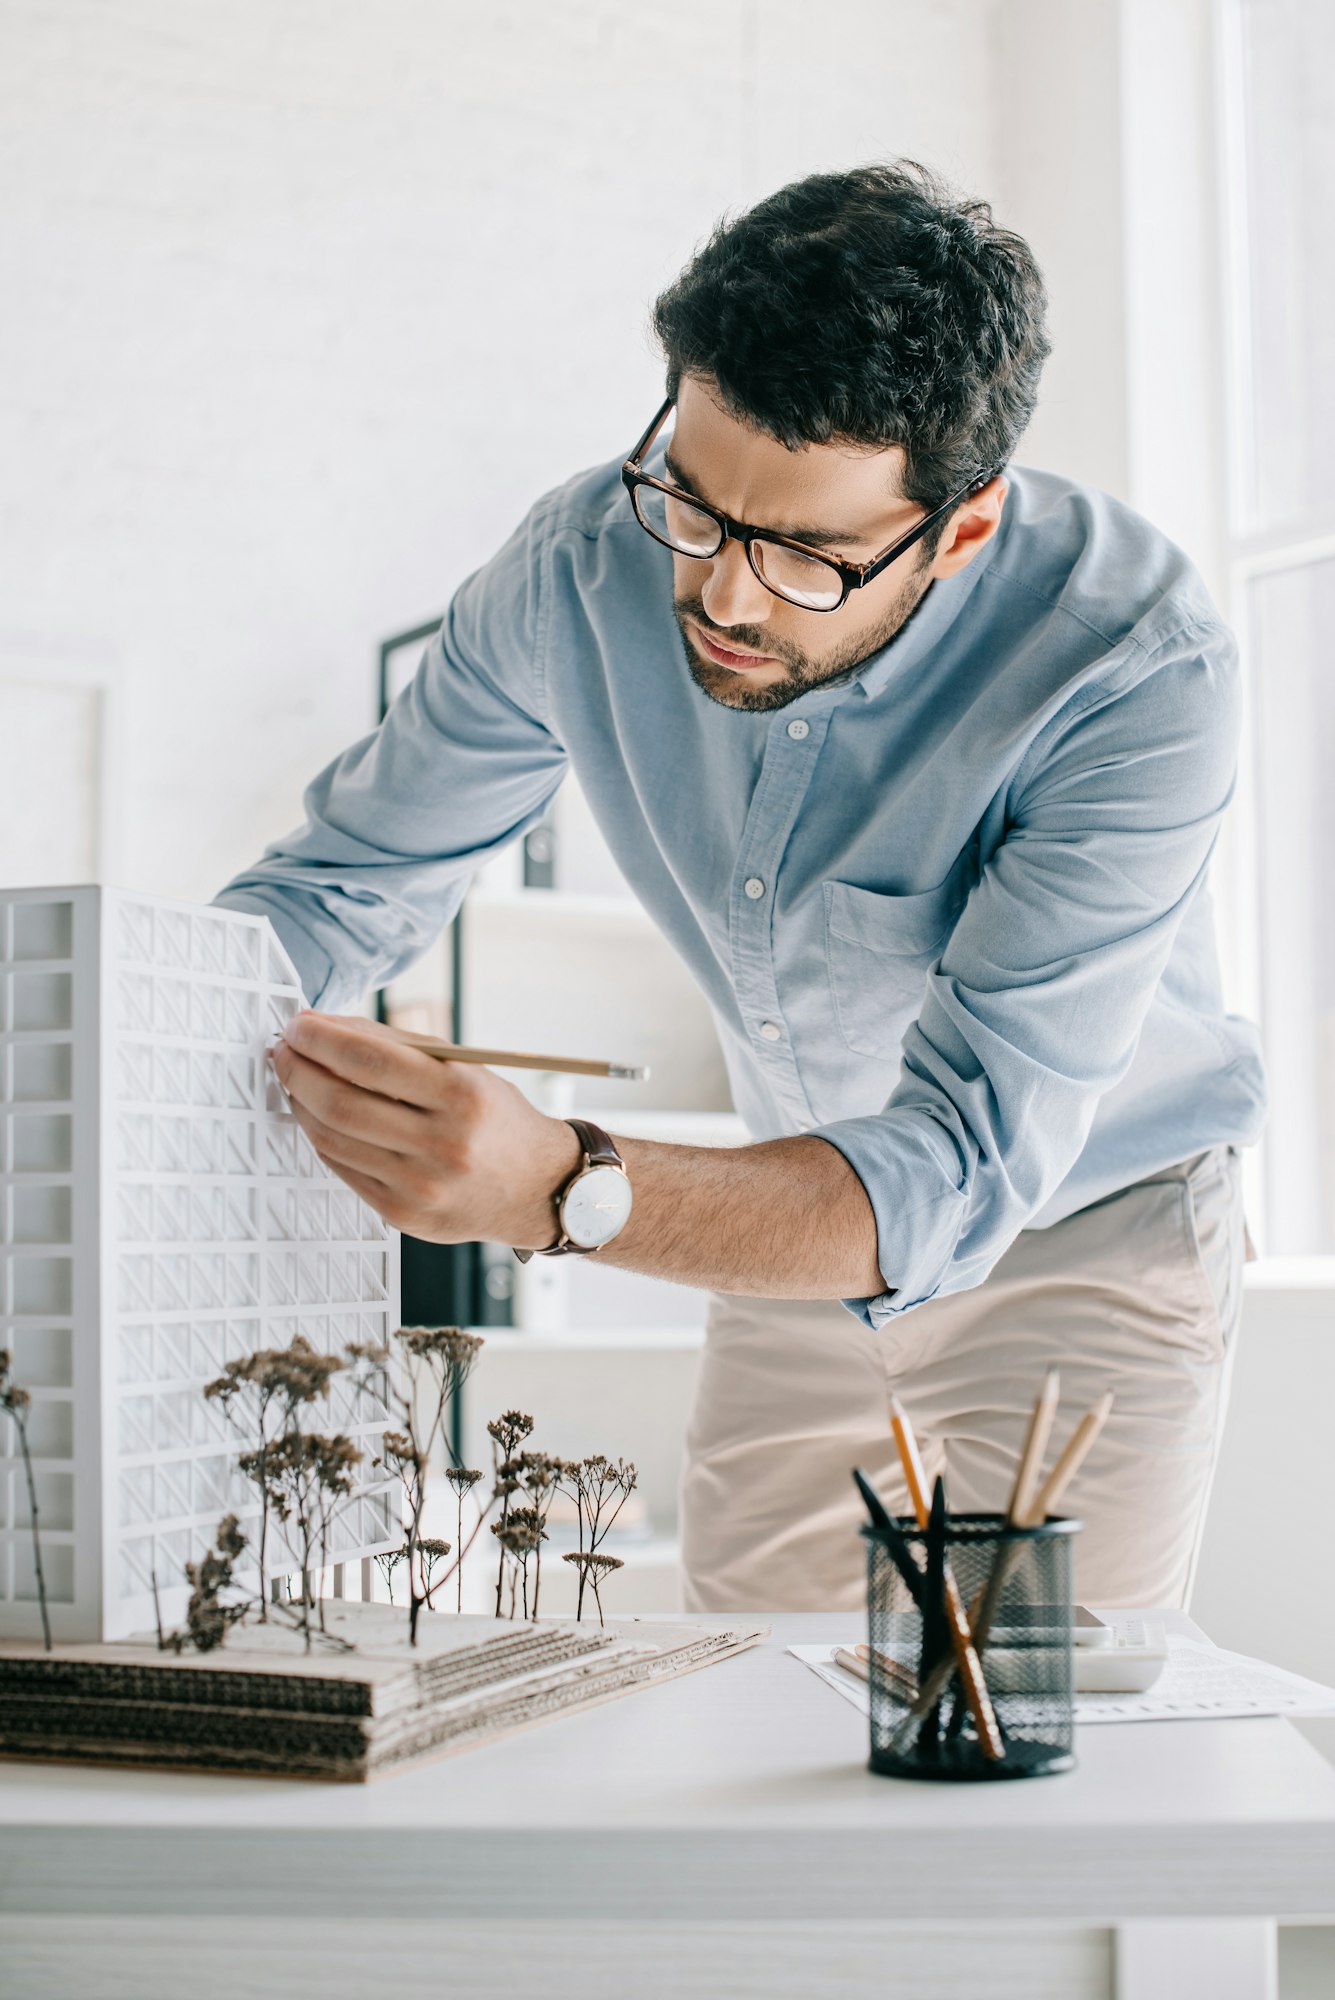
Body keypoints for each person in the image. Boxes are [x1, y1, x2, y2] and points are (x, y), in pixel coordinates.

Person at [218, 161, 1267, 1615]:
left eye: (810, 557)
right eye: (697, 506)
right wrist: (112, 1038)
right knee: (745, 1725)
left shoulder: (1135, 664)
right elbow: (341, 888)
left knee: (1033, 1759)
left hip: (1085, 1231)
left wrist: (557, 1189)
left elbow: (959, 1163)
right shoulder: (578, 568)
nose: (722, 595)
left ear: (958, 528)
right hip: (794, 1218)